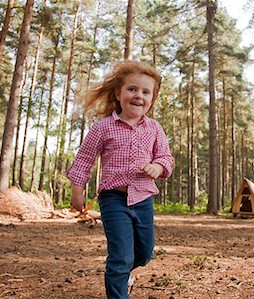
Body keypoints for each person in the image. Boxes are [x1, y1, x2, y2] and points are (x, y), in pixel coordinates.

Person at [67, 60, 174, 298]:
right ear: (119, 93)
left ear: (152, 99)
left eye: (146, 92)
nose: (138, 96)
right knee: (120, 256)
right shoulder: (103, 127)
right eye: (132, 89)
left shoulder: (154, 128)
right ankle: (118, 286)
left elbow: (166, 157)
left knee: (145, 253)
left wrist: (158, 166)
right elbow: (85, 157)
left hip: (143, 198)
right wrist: (77, 188)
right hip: (113, 199)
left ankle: (126, 273)